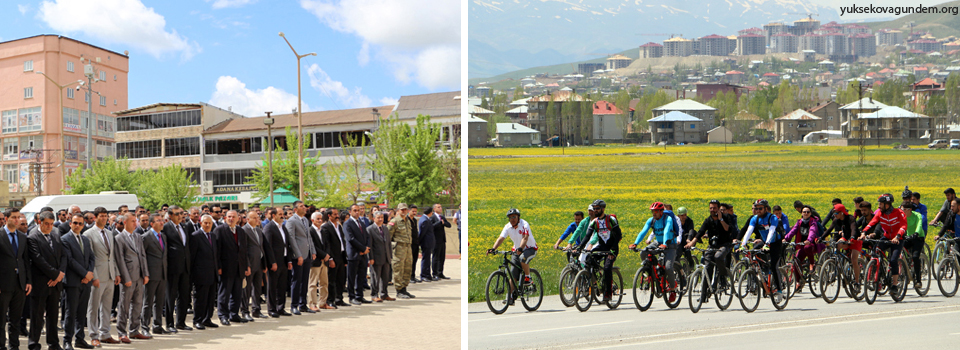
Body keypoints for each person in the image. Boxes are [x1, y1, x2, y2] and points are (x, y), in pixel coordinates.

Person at [27, 211, 65, 350]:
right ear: (39, 222)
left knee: (53, 316)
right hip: (40, 283)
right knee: (37, 316)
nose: (49, 227)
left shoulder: (55, 234)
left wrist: (60, 274)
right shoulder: (33, 237)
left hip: (55, 284)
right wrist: (55, 275)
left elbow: (63, 256)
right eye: (46, 224)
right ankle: (34, 343)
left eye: (51, 224)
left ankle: (53, 343)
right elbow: (38, 260)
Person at [85, 208, 122, 347]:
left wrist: (117, 272)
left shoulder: (109, 233)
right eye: (101, 216)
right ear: (95, 217)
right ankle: (93, 335)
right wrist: (93, 275)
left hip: (110, 275)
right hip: (98, 276)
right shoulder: (88, 234)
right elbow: (90, 257)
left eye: (106, 216)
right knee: (93, 307)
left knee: (107, 307)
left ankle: (105, 333)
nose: (104, 218)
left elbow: (112, 256)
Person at [858, 193, 908, 295]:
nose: (879, 206)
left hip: (898, 238)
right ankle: (879, 274)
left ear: (887, 204)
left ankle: (894, 285)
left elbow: (903, 226)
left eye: (881, 204)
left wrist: (897, 236)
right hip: (886, 236)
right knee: (875, 252)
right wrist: (863, 232)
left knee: (893, 260)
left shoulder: (899, 212)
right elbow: (872, 223)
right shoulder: (880, 213)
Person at [629, 202, 679, 301]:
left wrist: (664, 243)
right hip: (658, 242)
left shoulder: (667, 219)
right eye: (652, 211)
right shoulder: (651, 220)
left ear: (661, 211)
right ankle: (652, 271)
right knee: (643, 252)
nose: (654, 213)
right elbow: (643, 231)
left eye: (656, 211)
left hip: (670, 244)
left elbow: (666, 231)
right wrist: (635, 243)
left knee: (668, 267)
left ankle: (673, 290)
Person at [487, 208, 537, 305]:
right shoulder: (507, 227)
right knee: (513, 273)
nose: (512, 219)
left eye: (514, 217)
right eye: (510, 217)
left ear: (518, 217)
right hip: (517, 250)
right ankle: (509, 297)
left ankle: (528, 277)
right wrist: (493, 248)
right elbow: (501, 238)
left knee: (523, 258)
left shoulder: (524, 224)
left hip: (530, 249)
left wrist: (520, 248)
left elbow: (525, 238)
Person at [62, 212, 96, 350]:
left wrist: (89, 274)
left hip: (85, 282)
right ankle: (67, 341)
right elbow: (69, 260)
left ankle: (80, 339)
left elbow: (92, 258)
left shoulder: (85, 239)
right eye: (75, 223)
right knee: (71, 312)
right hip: (72, 282)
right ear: (70, 223)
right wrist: (84, 273)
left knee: (82, 312)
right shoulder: (65, 239)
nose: (77, 225)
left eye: (80, 223)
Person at [115, 214, 150, 343]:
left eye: (136, 221)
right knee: (124, 306)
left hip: (140, 276)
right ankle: (122, 332)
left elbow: (143, 255)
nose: (135, 224)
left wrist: (146, 274)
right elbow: (120, 259)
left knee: (138, 304)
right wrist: (125, 277)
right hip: (128, 277)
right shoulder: (119, 238)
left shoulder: (138, 236)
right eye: (132, 221)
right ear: (125, 222)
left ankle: (134, 330)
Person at [740, 199, 784, 299]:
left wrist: (767, 244)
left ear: (765, 209)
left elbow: (772, 231)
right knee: (753, 252)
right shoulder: (755, 218)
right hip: (765, 242)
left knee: (774, 266)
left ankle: (779, 289)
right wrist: (743, 244)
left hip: (775, 243)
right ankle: (762, 272)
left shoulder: (773, 218)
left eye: (760, 208)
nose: (758, 210)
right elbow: (749, 231)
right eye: (756, 208)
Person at [579, 200, 622, 303]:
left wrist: (613, 250)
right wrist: (579, 248)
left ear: (603, 209)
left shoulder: (611, 220)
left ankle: (608, 293)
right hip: (601, 246)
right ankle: (596, 283)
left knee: (607, 268)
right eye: (594, 208)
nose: (595, 210)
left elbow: (618, 236)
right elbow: (587, 236)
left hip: (612, 247)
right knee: (588, 260)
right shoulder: (594, 222)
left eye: (597, 208)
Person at [1, 208, 31, 350]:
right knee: (1, 319)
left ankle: (14, 346)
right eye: (13, 217)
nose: (17, 220)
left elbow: (26, 261)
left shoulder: (23, 237)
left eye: (18, 217)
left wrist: (28, 281)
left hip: (20, 284)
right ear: (6, 219)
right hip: (4, 284)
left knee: (15, 319)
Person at [214, 210, 250, 325]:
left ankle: (234, 314)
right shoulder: (219, 230)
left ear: (238, 218)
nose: (231, 219)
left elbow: (244, 250)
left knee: (237, 293)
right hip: (226, 268)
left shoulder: (241, 231)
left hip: (239, 267)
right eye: (229, 216)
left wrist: (246, 266)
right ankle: (223, 315)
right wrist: (218, 266)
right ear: (225, 218)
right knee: (224, 293)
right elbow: (216, 251)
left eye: (233, 217)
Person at [686, 200, 735, 282]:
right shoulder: (708, 220)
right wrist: (691, 242)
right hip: (712, 245)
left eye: (714, 208)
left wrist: (721, 219)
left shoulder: (726, 218)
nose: (712, 210)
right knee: (707, 264)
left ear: (719, 209)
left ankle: (723, 276)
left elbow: (728, 229)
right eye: (711, 208)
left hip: (724, 244)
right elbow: (701, 232)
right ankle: (706, 290)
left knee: (718, 257)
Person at [161, 206, 191, 332]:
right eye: (177, 214)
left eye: (182, 213)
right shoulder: (166, 228)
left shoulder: (184, 226)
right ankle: (169, 324)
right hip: (173, 267)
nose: (180, 216)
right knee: (170, 296)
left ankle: (181, 322)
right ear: (170, 215)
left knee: (184, 296)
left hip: (185, 266)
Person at [284, 201, 315, 315]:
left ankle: (303, 304)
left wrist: (313, 251)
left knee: (305, 280)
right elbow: (291, 239)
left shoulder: (305, 220)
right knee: (296, 281)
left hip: (307, 253)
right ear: (296, 209)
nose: (305, 208)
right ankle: (294, 305)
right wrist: (298, 255)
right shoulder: (292, 221)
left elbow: (308, 237)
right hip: (298, 255)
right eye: (301, 206)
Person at [189, 215, 219, 330]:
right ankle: (198, 320)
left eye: (209, 223)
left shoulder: (213, 235)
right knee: (200, 298)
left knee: (210, 299)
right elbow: (192, 257)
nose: (207, 225)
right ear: (201, 223)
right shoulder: (196, 236)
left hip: (212, 273)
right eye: (205, 223)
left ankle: (207, 319)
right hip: (200, 274)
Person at [140, 215, 167, 337]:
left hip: (162, 274)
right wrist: (145, 273)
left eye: (162, 220)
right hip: (151, 274)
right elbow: (142, 257)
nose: (162, 222)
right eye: (159, 221)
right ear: (152, 224)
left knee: (160, 302)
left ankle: (157, 325)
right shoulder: (146, 237)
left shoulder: (163, 236)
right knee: (148, 302)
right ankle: (145, 326)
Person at [242, 211, 273, 318]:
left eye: (258, 217)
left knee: (257, 288)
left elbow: (262, 248)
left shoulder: (259, 231)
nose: (257, 219)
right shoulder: (244, 231)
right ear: (247, 219)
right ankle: (245, 311)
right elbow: (243, 250)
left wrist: (264, 264)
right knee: (247, 289)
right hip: (250, 264)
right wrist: (247, 265)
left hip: (259, 263)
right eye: (254, 218)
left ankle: (256, 310)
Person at [783, 206, 822, 283]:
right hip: (801, 245)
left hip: (812, 244)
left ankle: (812, 264)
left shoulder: (813, 222)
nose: (806, 213)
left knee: (807, 247)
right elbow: (793, 231)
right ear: (801, 213)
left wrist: (809, 240)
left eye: (808, 212)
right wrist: (786, 238)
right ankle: (798, 282)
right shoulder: (799, 222)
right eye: (804, 212)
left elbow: (812, 231)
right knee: (796, 262)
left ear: (810, 213)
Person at [824, 204, 862, 283]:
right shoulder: (836, 220)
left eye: (836, 213)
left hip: (855, 239)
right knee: (838, 244)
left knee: (854, 260)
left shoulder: (850, 218)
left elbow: (853, 229)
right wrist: (821, 238)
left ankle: (857, 282)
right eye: (834, 213)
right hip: (845, 238)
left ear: (842, 212)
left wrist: (852, 237)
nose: (835, 215)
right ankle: (838, 264)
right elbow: (829, 229)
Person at [344, 204, 373, 305]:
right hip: (353, 254)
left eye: (358, 210)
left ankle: (360, 296)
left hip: (363, 254)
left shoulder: (361, 222)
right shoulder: (347, 223)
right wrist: (362, 248)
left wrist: (367, 248)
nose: (357, 212)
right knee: (352, 277)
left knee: (361, 276)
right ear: (350, 212)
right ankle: (352, 297)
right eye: (355, 210)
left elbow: (367, 236)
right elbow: (351, 239)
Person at [320, 209, 349, 306]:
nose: (337, 216)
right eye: (335, 214)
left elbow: (342, 242)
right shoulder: (326, 227)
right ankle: (330, 300)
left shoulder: (339, 226)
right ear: (329, 216)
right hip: (333, 257)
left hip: (341, 255)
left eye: (338, 214)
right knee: (331, 280)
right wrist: (331, 259)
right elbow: (327, 244)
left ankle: (339, 299)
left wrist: (344, 258)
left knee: (341, 279)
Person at [388, 204, 415, 299]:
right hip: (399, 248)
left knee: (407, 269)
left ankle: (404, 289)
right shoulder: (394, 222)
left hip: (408, 248)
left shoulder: (408, 221)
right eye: (402, 210)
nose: (404, 211)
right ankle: (399, 290)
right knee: (398, 270)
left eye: (405, 209)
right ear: (398, 210)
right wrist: (393, 247)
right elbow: (388, 237)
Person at [307, 212, 332, 310]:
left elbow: (327, 244)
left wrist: (327, 255)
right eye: (318, 219)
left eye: (321, 218)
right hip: (315, 260)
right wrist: (323, 255)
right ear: (313, 220)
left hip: (324, 261)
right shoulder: (310, 231)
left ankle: (323, 302)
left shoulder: (323, 230)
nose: (320, 220)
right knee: (313, 284)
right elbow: (313, 246)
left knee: (324, 283)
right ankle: (312, 303)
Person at [367, 211, 392, 302]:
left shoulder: (385, 228)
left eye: (382, 217)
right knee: (375, 278)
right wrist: (371, 258)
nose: (381, 219)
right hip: (376, 258)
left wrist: (390, 256)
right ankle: (374, 294)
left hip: (386, 257)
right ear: (374, 218)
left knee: (385, 278)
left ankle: (384, 294)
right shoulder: (370, 229)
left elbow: (388, 243)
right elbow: (370, 245)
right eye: (378, 217)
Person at [900, 202, 926, 290]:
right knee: (898, 252)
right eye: (901, 209)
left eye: (904, 210)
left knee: (915, 257)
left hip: (918, 237)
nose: (902, 211)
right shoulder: (902, 216)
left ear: (910, 209)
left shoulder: (917, 215)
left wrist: (916, 233)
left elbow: (919, 225)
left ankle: (918, 280)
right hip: (907, 237)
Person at [432, 204, 452, 280]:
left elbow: (449, 225)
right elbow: (431, 226)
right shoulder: (432, 217)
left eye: (441, 207)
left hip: (442, 240)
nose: (440, 208)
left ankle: (440, 273)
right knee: (436, 257)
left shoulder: (442, 217)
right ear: (434, 209)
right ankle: (434, 273)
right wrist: (439, 223)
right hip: (436, 240)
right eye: (438, 207)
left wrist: (444, 223)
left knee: (442, 257)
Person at [417, 207, 437, 282]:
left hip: (428, 242)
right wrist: (420, 242)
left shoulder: (425, 219)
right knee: (425, 259)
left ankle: (428, 275)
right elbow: (422, 233)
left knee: (428, 259)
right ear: (430, 212)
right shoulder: (425, 220)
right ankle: (424, 275)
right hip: (426, 242)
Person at [407, 206, 420, 284]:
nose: (414, 213)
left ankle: (413, 276)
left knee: (415, 260)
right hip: (409, 244)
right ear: (409, 211)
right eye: (413, 211)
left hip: (415, 243)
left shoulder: (414, 220)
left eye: (415, 211)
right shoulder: (406, 220)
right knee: (410, 261)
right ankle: (409, 277)